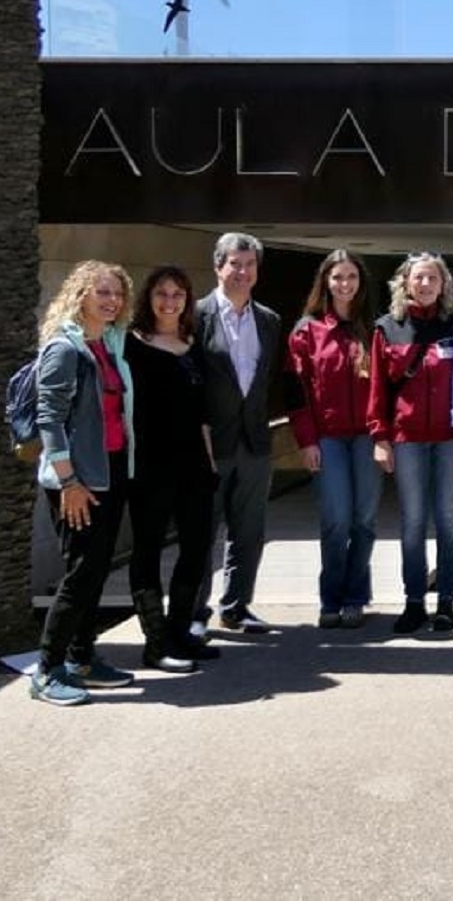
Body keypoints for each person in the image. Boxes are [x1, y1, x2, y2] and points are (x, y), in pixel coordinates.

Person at [29, 261, 138, 705]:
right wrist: (69, 481)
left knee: (95, 570)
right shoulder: (65, 349)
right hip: (77, 480)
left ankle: (82, 659)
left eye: (118, 294)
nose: (112, 301)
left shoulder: (106, 343)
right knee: (81, 573)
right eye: (103, 293)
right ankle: (47, 670)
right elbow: (49, 419)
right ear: (81, 296)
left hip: (109, 471)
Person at [125, 265, 218, 673]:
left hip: (193, 464)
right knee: (147, 550)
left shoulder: (192, 345)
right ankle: (155, 643)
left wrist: (210, 462)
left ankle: (180, 632)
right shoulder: (131, 345)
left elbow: (202, 415)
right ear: (148, 298)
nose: (170, 301)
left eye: (178, 294)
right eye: (162, 293)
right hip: (149, 466)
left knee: (197, 548)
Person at [368, 252, 453, 634]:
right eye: (418, 278)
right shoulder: (387, 328)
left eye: (432, 278)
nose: (425, 284)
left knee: (447, 519)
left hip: (450, 437)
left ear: (443, 285)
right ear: (405, 282)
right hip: (406, 438)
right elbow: (378, 387)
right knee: (412, 522)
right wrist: (380, 436)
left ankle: (446, 603)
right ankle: (413, 602)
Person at [194, 232, 284, 637]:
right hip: (209, 444)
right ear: (218, 266)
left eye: (249, 265)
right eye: (235, 264)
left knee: (249, 531)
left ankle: (236, 606)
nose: (243, 272)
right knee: (201, 532)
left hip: (254, 442)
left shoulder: (269, 320)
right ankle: (194, 613)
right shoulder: (196, 315)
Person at [288, 249, 379, 630]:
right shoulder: (306, 331)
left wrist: (384, 436)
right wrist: (307, 441)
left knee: (364, 521)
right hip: (327, 439)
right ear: (325, 281)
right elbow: (297, 392)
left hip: (367, 437)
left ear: (361, 283)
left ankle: (355, 598)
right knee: (336, 521)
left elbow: (385, 388)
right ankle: (331, 598)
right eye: (338, 277)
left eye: (351, 277)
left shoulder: (374, 328)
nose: (345, 284)